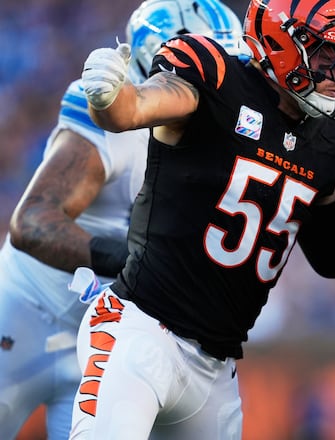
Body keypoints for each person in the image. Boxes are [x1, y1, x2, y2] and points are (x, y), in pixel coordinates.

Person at [70, 0, 335, 437]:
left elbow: (332, 258)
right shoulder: (216, 76)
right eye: (330, 56)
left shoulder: (333, 133)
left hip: (216, 367)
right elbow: (131, 110)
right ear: (282, 42)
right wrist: (107, 96)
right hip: (139, 328)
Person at [0, 1, 242, 439]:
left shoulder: (233, 131)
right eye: (210, 67)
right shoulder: (117, 115)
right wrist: (140, 260)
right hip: (29, 313)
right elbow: (33, 222)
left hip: (105, 334)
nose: (223, 83)